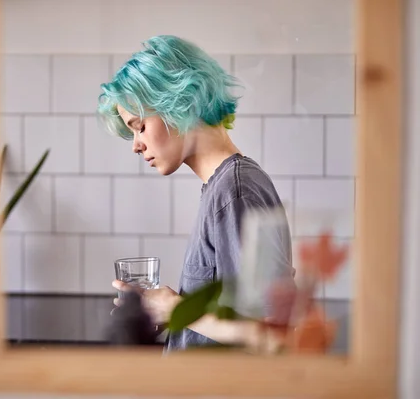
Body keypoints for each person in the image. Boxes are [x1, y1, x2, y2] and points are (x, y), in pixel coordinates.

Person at [97, 35, 294, 351]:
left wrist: (177, 310)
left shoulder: (235, 191)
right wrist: (174, 314)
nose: (135, 144)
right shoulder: (226, 186)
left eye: (139, 126)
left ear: (178, 102)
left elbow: (273, 336)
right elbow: (235, 318)